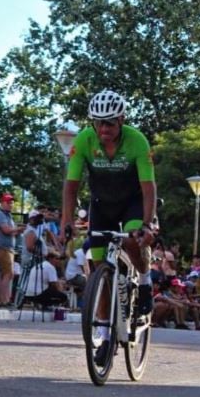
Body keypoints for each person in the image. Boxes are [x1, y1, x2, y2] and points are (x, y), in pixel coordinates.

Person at [61, 90, 156, 366]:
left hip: (133, 202)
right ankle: (103, 333)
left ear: (121, 120)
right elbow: (71, 186)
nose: (104, 129)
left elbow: (149, 189)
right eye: (99, 123)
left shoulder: (137, 141)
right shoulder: (84, 140)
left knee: (131, 241)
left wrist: (147, 225)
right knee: (97, 265)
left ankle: (146, 278)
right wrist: (66, 220)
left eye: (110, 123)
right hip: (102, 204)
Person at [0, 194, 26, 307]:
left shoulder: (9, 217)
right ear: (2, 203)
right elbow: (6, 230)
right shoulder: (0, 215)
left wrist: (18, 231)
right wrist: (18, 229)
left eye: (11, 202)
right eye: (8, 202)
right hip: (2, 248)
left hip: (8, 249)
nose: (11, 204)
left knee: (5, 275)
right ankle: (4, 300)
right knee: (9, 274)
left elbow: (11, 232)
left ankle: (0, 300)